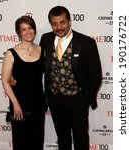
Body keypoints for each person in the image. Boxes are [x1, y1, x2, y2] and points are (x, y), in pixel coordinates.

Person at [40, 6, 102, 150]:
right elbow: (38, 64)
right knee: (62, 138)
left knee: (80, 138)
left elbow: (96, 75)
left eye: (62, 22)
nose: (59, 27)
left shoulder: (86, 43)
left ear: (69, 21)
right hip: (55, 99)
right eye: (54, 24)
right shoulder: (46, 39)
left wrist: (85, 99)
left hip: (77, 99)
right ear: (50, 24)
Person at [1, 15, 46, 150]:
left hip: (38, 101)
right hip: (19, 102)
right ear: (19, 32)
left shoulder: (42, 50)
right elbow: (5, 80)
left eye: (30, 28)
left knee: (37, 138)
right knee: (21, 139)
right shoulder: (11, 53)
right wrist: (15, 104)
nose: (28, 32)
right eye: (23, 29)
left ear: (34, 29)